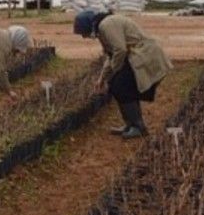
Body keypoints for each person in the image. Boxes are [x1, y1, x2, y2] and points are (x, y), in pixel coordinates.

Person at [73, 10, 171, 139]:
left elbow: (120, 50)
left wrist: (115, 71)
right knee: (119, 86)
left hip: (144, 55)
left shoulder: (105, 25)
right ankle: (130, 124)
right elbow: (111, 55)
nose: (84, 37)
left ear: (87, 26)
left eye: (83, 33)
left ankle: (138, 127)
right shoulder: (103, 28)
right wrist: (102, 78)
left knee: (120, 86)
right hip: (136, 55)